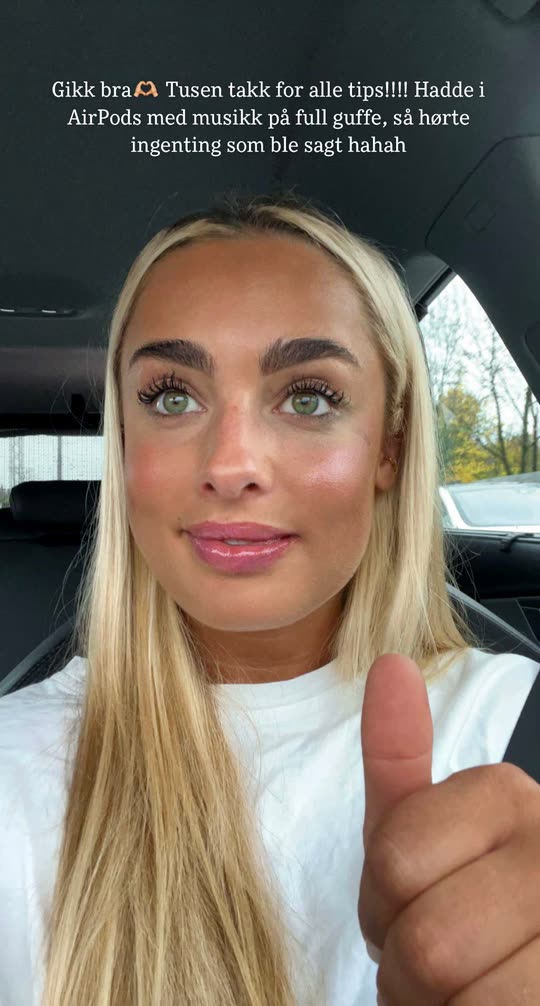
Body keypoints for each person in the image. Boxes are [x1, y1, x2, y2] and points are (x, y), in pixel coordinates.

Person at [0, 193, 539, 1006]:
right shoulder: (14, 766)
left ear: (389, 449)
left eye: (309, 397)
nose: (231, 465)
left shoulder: (517, 727)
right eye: (171, 396)